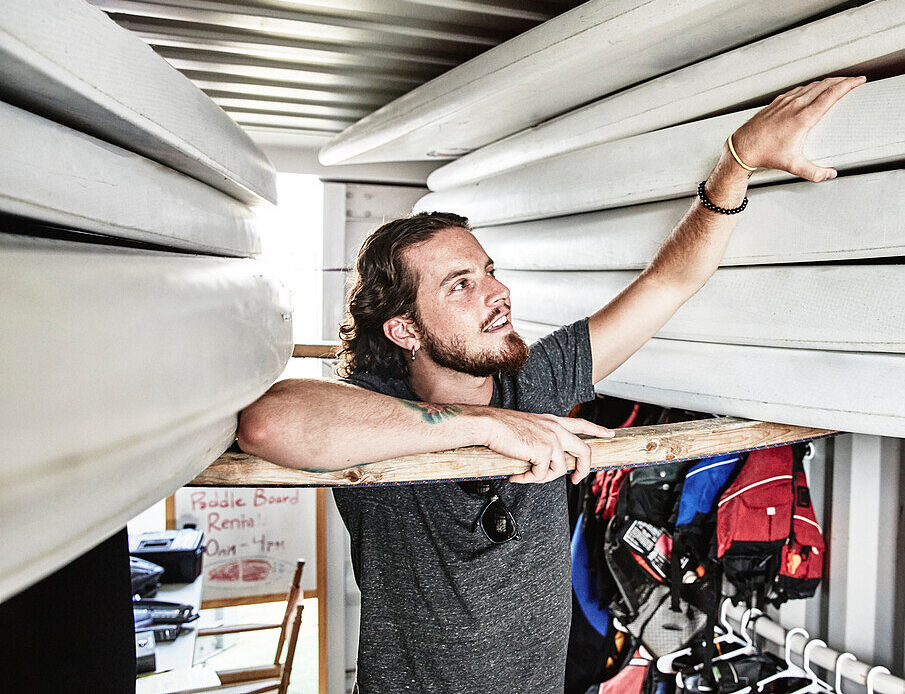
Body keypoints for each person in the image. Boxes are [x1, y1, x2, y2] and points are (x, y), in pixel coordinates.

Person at [237, 76, 864, 693]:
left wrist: (739, 162)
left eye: (488, 271)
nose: (498, 292)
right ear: (405, 329)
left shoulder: (532, 378)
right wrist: (489, 427)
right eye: (460, 284)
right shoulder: (376, 409)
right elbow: (267, 421)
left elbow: (668, 283)